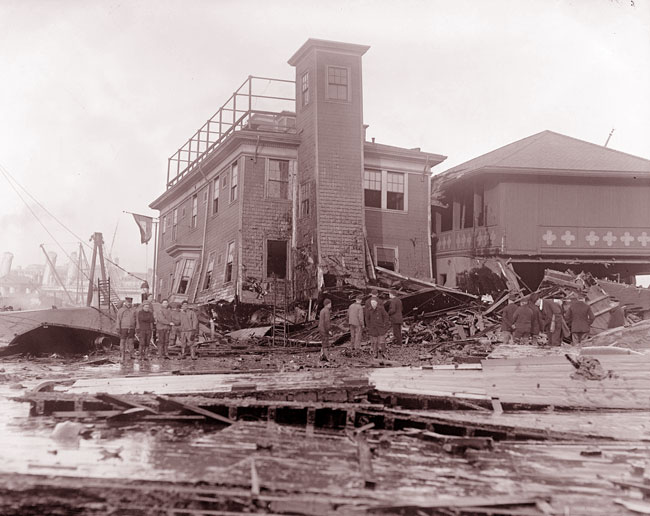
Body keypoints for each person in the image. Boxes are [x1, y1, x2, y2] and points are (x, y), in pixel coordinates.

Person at [116, 297, 136, 362]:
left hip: (132, 328)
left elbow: (136, 319)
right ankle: (122, 355)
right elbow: (118, 319)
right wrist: (118, 328)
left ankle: (131, 354)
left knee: (131, 342)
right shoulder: (121, 310)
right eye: (128, 302)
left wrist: (136, 327)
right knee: (122, 342)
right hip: (123, 328)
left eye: (130, 302)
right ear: (125, 302)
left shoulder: (134, 310)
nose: (129, 304)